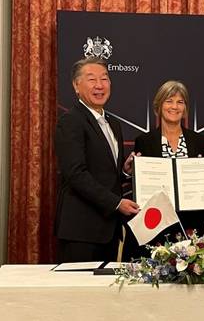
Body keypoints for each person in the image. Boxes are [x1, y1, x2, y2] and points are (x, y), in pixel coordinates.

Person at [54, 57, 139, 262]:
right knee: (79, 293)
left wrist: (125, 172)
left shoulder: (114, 124)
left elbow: (104, 173)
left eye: (104, 78)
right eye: (91, 79)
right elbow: (76, 174)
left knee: (105, 293)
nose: (99, 85)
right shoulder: (71, 121)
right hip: (81, 231)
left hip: (108, 230)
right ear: (76, 86)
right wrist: (116, 203)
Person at [124, 80, 204, 258]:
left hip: (191, 225)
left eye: (180, 102)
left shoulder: (199, 141)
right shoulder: (144, 141)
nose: (175, 107)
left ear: (185, 108)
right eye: (169, 101)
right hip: (158, 224)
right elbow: (140, 182)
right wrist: (131, 172)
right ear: (159, 105)